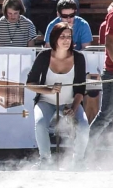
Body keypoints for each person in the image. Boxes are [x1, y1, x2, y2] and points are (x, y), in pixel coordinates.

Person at [26, 23, 92, 160]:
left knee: (84, 127)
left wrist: (73, 108)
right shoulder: (44, 56)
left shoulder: (78, 57)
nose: (66, 40)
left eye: (69, 36)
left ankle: (78, 160)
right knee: (40, 124)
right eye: (62, 36)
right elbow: (30, 84)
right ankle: (45, 160)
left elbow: (80, 89)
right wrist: (49, 90)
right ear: (54, 38)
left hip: (70, 102)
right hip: (46, 101)